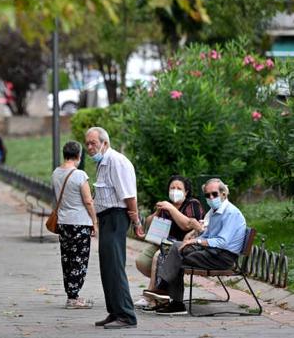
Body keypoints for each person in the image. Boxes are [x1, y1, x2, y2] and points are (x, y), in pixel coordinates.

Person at [153, 178, 247, 315]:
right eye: (207, 195)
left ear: (224, 194)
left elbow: (222, 242)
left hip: (223, 257)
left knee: (178, 257)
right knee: (177, 246)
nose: (211, 197)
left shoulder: (230, 213)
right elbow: (207, 235)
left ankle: (168, 295)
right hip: (212, 252)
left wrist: (196, 242)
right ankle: (165, 291)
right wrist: (192, 240)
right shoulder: (214, 211)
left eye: (214, 194)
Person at [85, 127, 144, 329]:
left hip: (117, 217)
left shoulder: (117, 162)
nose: (90, 147)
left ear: (105, 143)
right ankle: (115, 311)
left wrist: (136, 222)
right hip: (107, 218)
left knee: (115, 267)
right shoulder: (103, 163)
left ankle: (127, 315)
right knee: (107, 267)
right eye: (88, 143)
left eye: (93, 143)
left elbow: (129, 195)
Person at [133, 175, 205, 310]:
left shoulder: (192, 204)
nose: (175, 190)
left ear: (186, 192)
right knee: (141, 261)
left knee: (157, 257)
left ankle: (152, 296)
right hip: (163, 243)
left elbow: (187, 225)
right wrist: (157, 212)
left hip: (183, 246)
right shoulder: (167, 205)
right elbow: (148, 223)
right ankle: (164, 286)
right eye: (172, 188)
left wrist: (172, 209)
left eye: (179, 188)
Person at [52, 141, 98, 309]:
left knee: (67, 258)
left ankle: (71, 294)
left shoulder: (56, 173)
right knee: (79, 261)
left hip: (63, 222)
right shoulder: (79, 175)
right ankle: (73, 298)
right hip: (80, 223)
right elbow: (88, 201)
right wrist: (94, 221)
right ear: (79, 155)